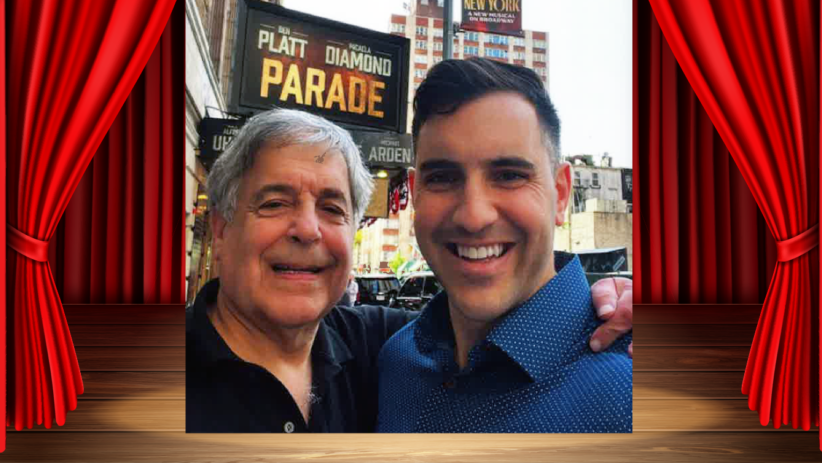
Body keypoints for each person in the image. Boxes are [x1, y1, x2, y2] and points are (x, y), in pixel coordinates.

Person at [186, 108, 633, 433]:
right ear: (222, 231)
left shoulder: (388, 348)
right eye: (274, 203)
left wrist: (620, 301)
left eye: (332, 208)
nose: (307, 229)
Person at [376, 59, 632, 433]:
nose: (473, 216)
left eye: (509, 176)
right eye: (443, 178)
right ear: (415, 195)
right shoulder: (396, 361)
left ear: (560, 195)